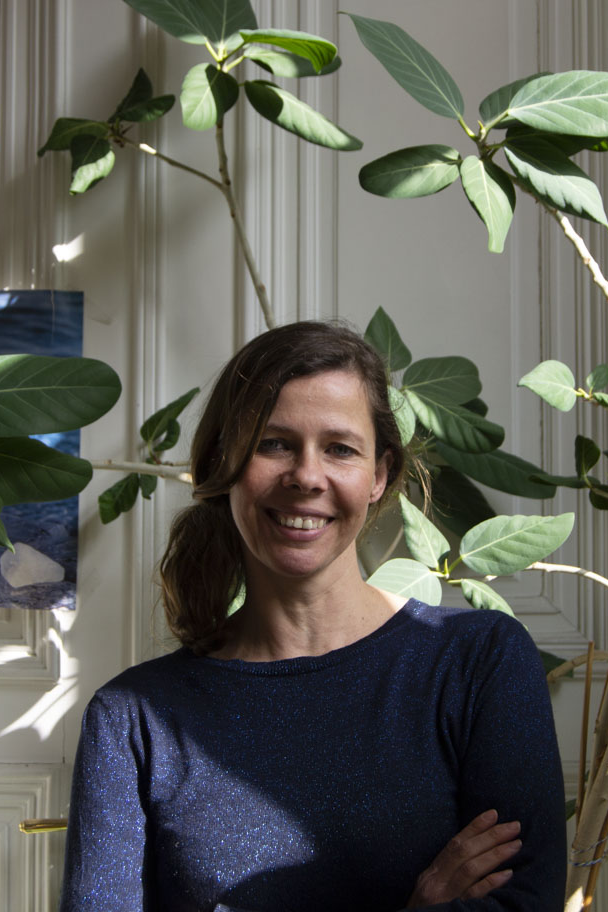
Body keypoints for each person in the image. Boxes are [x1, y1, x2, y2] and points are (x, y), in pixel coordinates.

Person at [61, 321, 567, 911]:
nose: (305, 476)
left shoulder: (478, 663)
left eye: (339, 449)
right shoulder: (132, 721)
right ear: (223, 465)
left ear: (379, 475)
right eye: (272, 443)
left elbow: (524, 903)